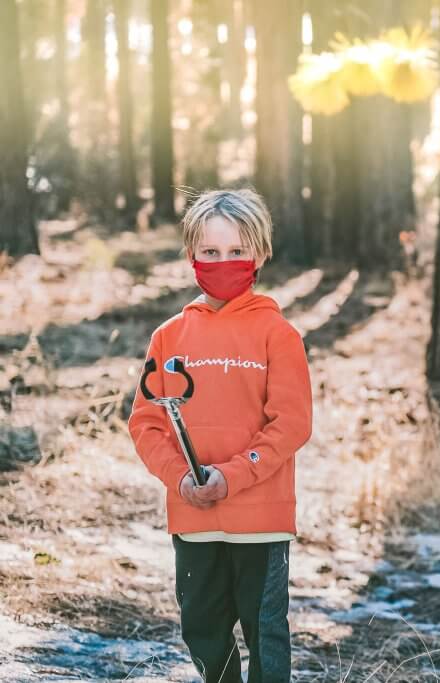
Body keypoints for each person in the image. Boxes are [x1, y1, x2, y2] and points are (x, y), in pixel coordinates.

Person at [128, 189, 312, 683]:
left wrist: (230, 477)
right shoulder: (168, 337)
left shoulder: (279, 334)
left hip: (261, 519)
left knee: (264, 631)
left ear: (260, 254)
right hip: (193, 514)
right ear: (192, 255)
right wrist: (180, 478)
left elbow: (292, 424)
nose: (223, 262)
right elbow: (146, 423)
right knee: (201, 627)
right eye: (210, 252)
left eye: (236, 251)